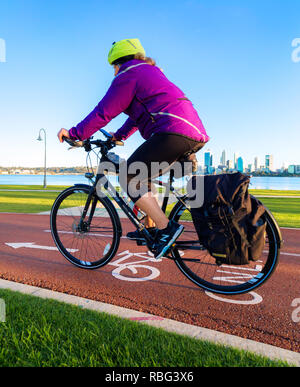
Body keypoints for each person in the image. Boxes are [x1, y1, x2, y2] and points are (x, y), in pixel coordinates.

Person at [57, 38, 209, 259]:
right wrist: (118, 136)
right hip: (191, 134)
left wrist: (75, 133)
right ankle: (150, 229)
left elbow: (103, 112)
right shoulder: (150, 73)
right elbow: (137, 117)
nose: (114, 72)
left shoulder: (129, 75)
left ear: (117, 64)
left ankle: (167, 229)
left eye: (113, 68)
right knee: (143, 175)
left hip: (171, 134)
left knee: (128, 177)